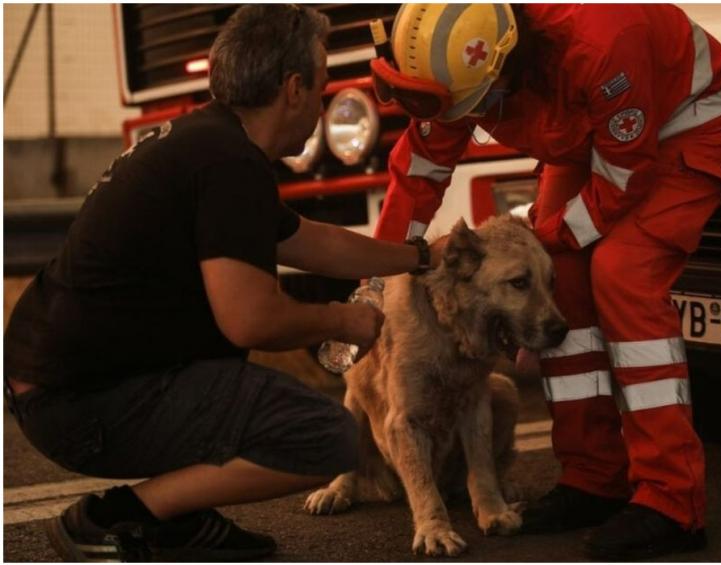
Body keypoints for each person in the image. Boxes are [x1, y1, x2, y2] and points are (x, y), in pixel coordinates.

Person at [3, 5, 435, 562]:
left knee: (226, 375)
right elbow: (251, 319)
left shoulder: (205, 142)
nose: (324, 102)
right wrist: (342, 319)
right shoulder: (229, 163)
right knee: (326, 435)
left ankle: (177, 519)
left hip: (58, 387)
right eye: (324, 86)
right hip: (79, 407)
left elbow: (313, 241)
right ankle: (118, 517)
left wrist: (418, 256)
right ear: (295, 88)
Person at [369, 4, 721, 560]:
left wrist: (541, 239)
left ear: (504, 65)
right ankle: (594, 478)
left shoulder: (604, 42)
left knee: (622, 277)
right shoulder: (454, 60)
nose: (471, 117)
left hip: (681, 127)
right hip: (595, 137)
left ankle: (672, 500)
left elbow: (623, 176)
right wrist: (377, 275)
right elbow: (421, 170)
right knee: (560, 285)